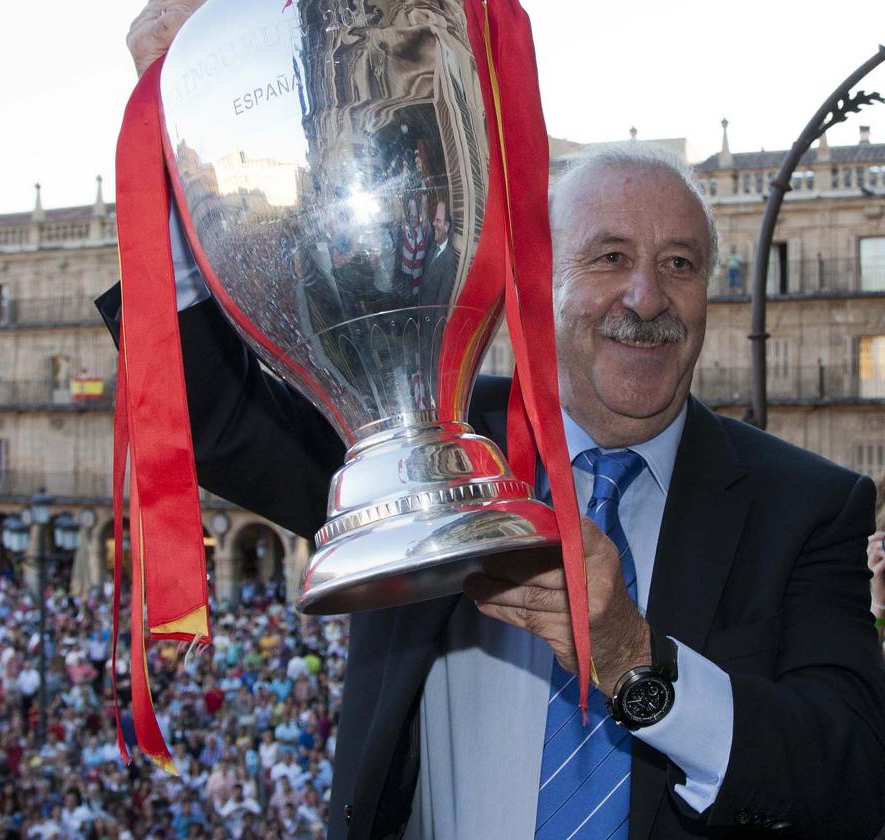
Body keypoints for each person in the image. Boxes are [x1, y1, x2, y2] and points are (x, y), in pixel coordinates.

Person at [112, 7, 885, 837]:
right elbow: (217, 422)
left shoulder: (810, 509)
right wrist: (175, 149)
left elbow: (850, 777)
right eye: (609, 257)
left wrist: (632, 657)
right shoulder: (426, 445)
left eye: (680, 265)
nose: (646, 297)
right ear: (536, 280)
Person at [416, 198, 457, 309]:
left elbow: (442, 302)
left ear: (446, 226)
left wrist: (436, 326)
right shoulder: (432, 244)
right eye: (434, 219)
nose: (434, 223)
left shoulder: (449, 259)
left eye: (438, 220)